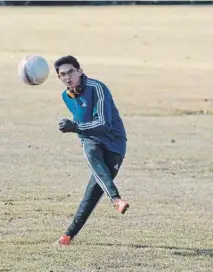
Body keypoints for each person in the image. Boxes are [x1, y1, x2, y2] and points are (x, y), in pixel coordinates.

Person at [54, 55, 129, 246]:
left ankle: (68, 235)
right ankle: (116, 200)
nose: (67, 77)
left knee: (94, 190)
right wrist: (73, 126)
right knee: (90, 151)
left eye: (71, 72)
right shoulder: (66, 96)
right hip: (90, 140)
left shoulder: (97, 88)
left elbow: (104, 124)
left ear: (79, 71)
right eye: (62, 74)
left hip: (114, 141)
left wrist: (75, 127)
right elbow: (81, 123)